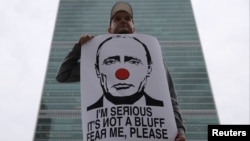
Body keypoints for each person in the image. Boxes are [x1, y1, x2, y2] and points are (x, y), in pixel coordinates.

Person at [56, 1, 186, 141]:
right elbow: (63, 75)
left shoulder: (154, 56)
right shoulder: (96, 59)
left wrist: (179, 130)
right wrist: (79, 48)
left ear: (148, 68)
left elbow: (171, 97)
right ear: (110, 29)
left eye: (127, 19)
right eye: (117, 19)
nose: (123, 21)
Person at [87, 35, 164, 111]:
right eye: (110, 62)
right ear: (97, 70)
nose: (122, 74)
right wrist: (79, 48)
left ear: (149, 68)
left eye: (133, 62)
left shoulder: (163, 110)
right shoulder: (89, 113)